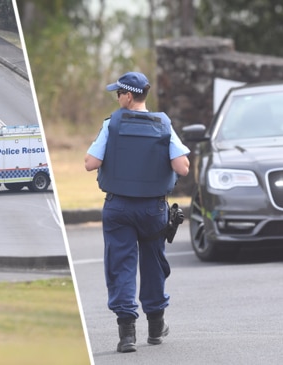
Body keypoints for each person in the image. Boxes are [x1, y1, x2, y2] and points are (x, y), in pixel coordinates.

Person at [84, 71, 190, 353]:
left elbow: (90, 163)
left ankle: (126, 334)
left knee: (121, 265)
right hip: (153, 209)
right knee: (154, 264)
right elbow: (182, 167)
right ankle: (155, 327)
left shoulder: (112, 124)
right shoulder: (164, 124)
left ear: (128, 96)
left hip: (118, 207)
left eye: (118, 93)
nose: (117, 98)